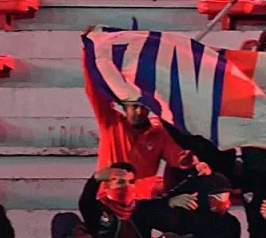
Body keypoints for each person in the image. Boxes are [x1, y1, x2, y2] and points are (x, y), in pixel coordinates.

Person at [83, 52, 204, 182]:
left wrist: (187, 160)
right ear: (125, 107)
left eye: (144, 107)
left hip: (140, 199)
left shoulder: (159, 133)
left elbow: (175, 155)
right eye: (135, 107)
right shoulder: (111, 123)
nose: (140, 112)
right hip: (108, 198)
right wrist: (88, 53)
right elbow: (95, 92)